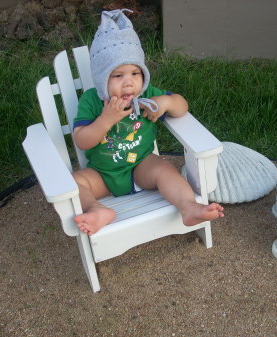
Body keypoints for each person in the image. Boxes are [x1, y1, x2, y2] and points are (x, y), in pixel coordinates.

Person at [72, 9, 224, 235]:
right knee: (75, 182)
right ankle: (97, 210)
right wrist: (105, 120)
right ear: (102, 78)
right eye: (118, 75)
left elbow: (182, 106)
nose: (129, 83)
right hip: (102, 174)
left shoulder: (147, 97)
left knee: (164, 169)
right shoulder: (92, 102)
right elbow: (82, 140)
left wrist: (165, 102)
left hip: (141, 166)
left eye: (135, 73)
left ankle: (189, 207)